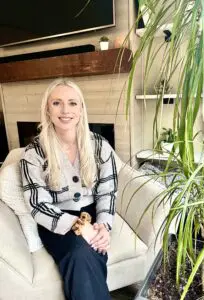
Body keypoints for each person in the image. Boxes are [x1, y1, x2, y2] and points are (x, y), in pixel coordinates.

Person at [20, 78, 118, 300]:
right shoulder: (33, 153)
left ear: (82, 109)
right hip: (55, 221)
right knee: (79, 252)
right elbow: (37, 204)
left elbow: (108, 191)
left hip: (93, 213)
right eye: (57, 103)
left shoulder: (100, 145)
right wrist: (78, 226)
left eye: (73, 103)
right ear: (47, 108)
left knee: (91, 249)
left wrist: (103, 225)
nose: (65, 110)